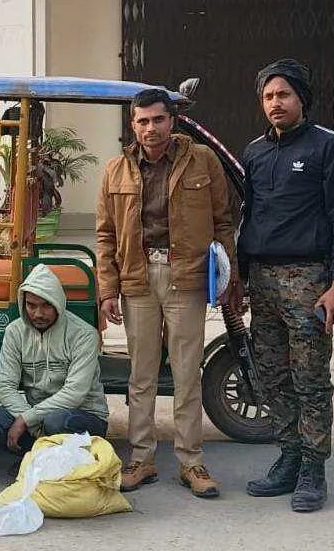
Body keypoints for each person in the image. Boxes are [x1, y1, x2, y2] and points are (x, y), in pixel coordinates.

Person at [96, 87, 237, 500]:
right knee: (141, 374)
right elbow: (105, 236)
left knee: (186, 371)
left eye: (158, 119)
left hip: (186, 277)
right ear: (133, 124)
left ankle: (192, 462)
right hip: (137, 279)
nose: (150, 128)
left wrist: (228, 278)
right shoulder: (115, 170)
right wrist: (108, 289)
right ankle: (141, 458)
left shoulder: (202, 161)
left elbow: (222, 222)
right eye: (142, 121)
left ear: (172, 120)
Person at [239, 59, 334, 513]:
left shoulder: (330, 146)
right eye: (269, 96)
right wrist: (238, 276)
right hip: (263, 283)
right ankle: (288, 456)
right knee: (271, 375)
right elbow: (245, 217)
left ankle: (314, 467)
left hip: (310, 282)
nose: (276, 103)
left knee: (310, 377)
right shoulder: (253, 152)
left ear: (302, 99)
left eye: (284, 95)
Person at [0, 264, 109, 474]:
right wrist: (27, 417)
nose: (38, 313)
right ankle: (37, 457)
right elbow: (5, 386)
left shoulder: (84, 335)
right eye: (31, 305)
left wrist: (27, 419)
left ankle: (50, 462)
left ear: (59, 303)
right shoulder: (15, 332)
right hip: (35, 414)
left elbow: (74, 393)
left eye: (46, 306)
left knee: (56, 421)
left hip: (82, 415)